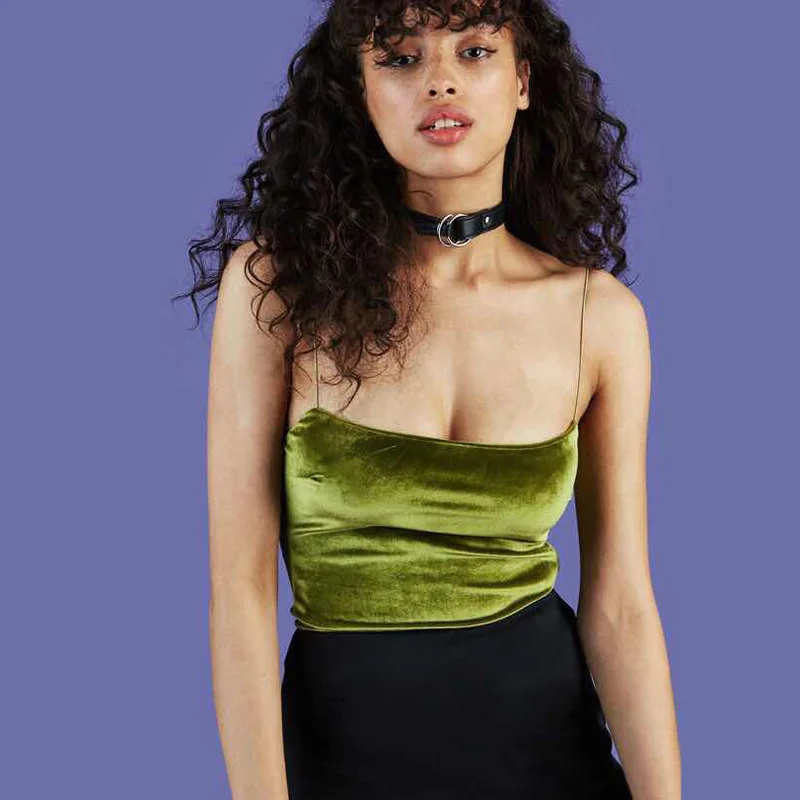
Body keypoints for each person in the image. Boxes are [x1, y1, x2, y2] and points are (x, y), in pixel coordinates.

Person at [177, 1, 681, 798]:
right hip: (339, 768)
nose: (440, 82)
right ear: (359, 91)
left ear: (523, 81)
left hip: (556, 764)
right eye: (401, 58)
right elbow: (239, 592)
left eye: (473, 52)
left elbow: (621, 605)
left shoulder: (601, 315)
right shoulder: (277, 288)